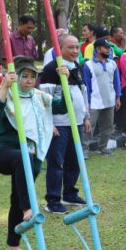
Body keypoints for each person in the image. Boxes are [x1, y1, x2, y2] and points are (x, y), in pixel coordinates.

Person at [0, 56, 68, 250]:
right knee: (20, 159)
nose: (29, 80)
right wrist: (5, 86)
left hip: (31, 155)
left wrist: (64, 82)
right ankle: (28, 207)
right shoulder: (7, 94)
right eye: (25, 76)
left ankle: (13, 245)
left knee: (17, 196)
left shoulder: (39, 96)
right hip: (2, 151)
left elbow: (62, 107)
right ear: (16, 77)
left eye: (33, 76)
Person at [39, 34, 91, 214]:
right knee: (56, 163)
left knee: (74, 161)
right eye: (70, 47)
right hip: (59, 124)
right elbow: (44, 99)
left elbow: (83, 92)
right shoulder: (51, 69)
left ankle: (70, 193)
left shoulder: (78, 67)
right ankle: (53, 201)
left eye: (77, 47)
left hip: (77, 122)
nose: (75, 51)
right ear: (59, 48)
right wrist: (49, 123)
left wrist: (86, 116)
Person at [84, 39, 121, 155]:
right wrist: (87, 103)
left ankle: (103, 147)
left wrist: (118, 97)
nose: (108, 50)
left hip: (110, 100)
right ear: (98, 49)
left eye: (109, 47)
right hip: (94, 101)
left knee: (108, 126)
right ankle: (84, 149)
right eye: (106, 47)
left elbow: (117, 82)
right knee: (89, 126)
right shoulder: (88, 65)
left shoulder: (113, 64)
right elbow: (86, 86)